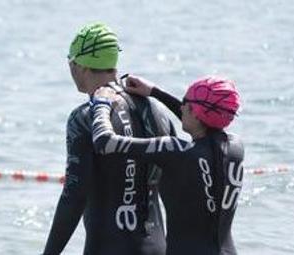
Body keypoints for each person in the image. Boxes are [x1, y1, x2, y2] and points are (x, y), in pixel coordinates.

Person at [42, 23, 177, 255]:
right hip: (158, 248)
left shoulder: (84, 118)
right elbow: (174, 193)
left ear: (80, 65)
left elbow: (74, 196)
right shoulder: (157, 111)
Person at [89, 76, 244, 255]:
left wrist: (101, 102)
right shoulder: (235, 147)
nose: (181, 107)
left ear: (194, 110)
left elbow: (104, 142)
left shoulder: (174, 150)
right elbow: (203, 121)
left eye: (185, 102)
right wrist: (155, 92)